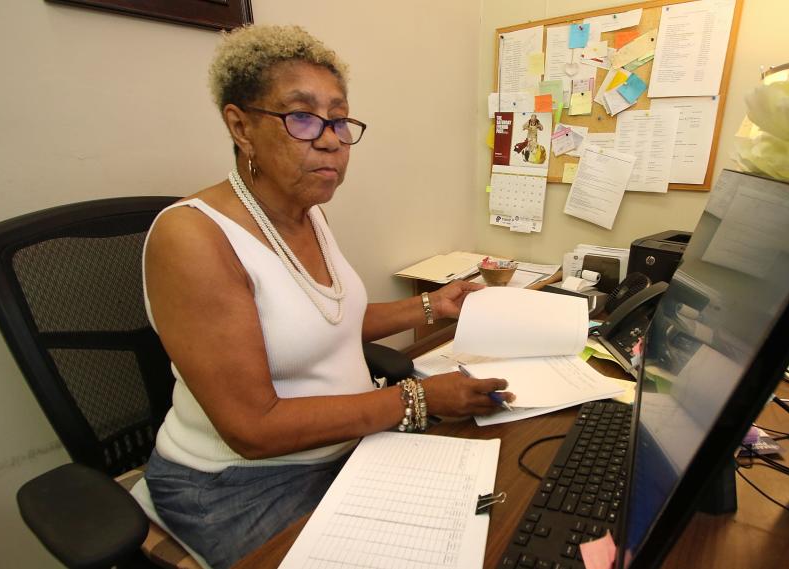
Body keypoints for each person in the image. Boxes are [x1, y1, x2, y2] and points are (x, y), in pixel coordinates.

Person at [141, 24, 513, 569]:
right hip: (239, 484)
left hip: (350, 448)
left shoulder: (307, 214)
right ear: (240, 126)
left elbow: (326, 322)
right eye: (302, 117)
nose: (330, 139)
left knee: (496, 517)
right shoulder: (191, 238)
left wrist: (434, 306)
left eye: (339, 120)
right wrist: (416, 401)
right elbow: (253, 429)